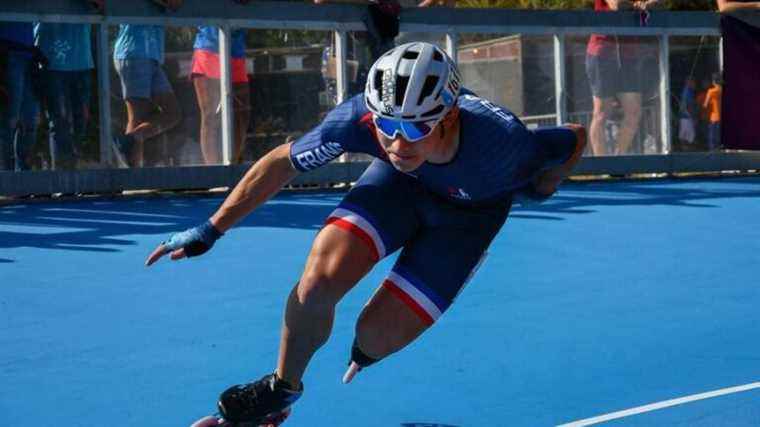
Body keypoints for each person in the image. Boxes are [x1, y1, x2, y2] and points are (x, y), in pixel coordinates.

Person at [146, 42, 586, 426]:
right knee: (318, 280)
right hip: (398, 189)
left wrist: (543, 187)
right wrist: (211, 228)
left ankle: (370, 345)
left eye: (415, 128)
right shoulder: (359, 119)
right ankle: (282, 389)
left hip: (468, 219)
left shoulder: (505, 144)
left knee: (373, 339)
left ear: (450, 116)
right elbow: (282, 162)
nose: (396, 143)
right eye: (387, 126)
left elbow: (573, 138)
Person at [585, 0, 663, 156]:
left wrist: (648, 4)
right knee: (601, 112)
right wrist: (639, 5)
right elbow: (616, 5)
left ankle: (618, 161)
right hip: (602, 52)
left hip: (629, 54)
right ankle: (603, 165)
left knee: (634, 112)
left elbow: (658, 3)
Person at [111, 24, 181, 168]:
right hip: (133, 52)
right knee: (137, 117)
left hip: (153, 55)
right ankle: (131, 179)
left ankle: (130, 139)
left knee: (172, 113)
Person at [34, 22, 94, 170]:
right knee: (59, 121)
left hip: (82, 61)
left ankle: (74, 172)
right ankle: (63, 178)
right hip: (51, 60)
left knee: (81, 121)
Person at [192, 26, 251, 165]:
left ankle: (232, 168)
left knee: (241, 114)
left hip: (236, 50)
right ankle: (213, 171)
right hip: (209, 47)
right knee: (210, 115)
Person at [0, 22, 40, 171]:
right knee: (9, 120)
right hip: (7, 53)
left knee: (30, 120)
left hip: (29, 55)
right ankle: (7, 177)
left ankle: (24, 175)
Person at [703, 72, 722, 151]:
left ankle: (713, 153)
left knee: (712, 137)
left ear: (713, 81)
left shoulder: (711, 91)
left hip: (714, 118)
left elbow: (705, 105)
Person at [677, 77, 697, 147]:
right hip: (686, 116)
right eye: (693, 82)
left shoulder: (686, 91)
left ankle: (685, 147)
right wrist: (693, 116)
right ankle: (685, 147)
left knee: (684, 133)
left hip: (685, 116)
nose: (695, 84)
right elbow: (689, 105)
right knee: (687, 133)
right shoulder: (687, 92)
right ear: (688, 82)